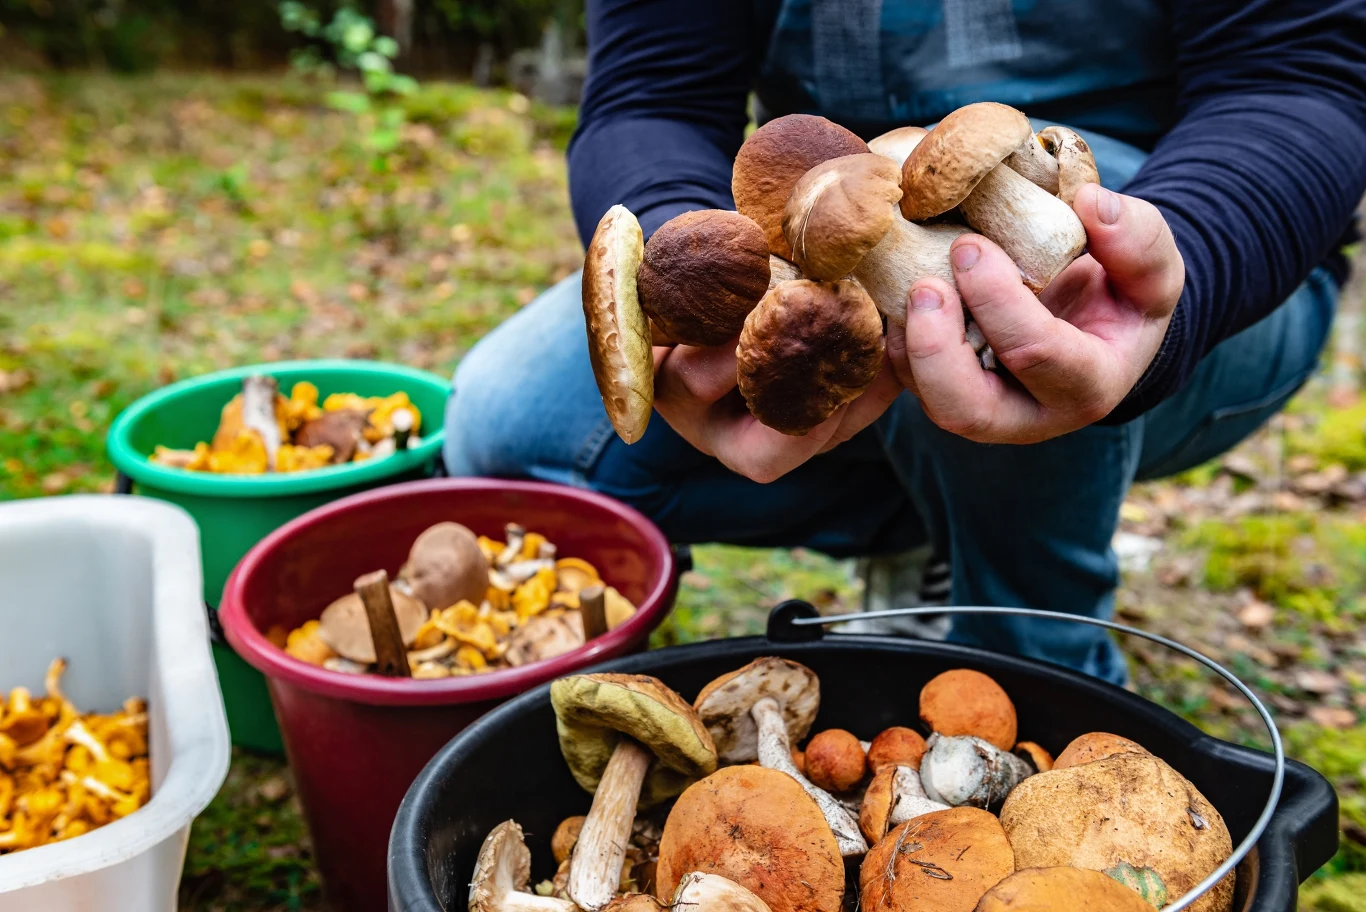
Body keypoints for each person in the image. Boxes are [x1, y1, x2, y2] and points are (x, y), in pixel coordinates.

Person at [445, 0, 1366, 684]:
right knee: (511, 428)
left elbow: (1299, 79)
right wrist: (697, 284)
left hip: (1197, 258)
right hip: (835, 244)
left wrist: (1191, 263)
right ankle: (946, 515)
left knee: (987, 289)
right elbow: (652, 95)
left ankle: (1039, 662)